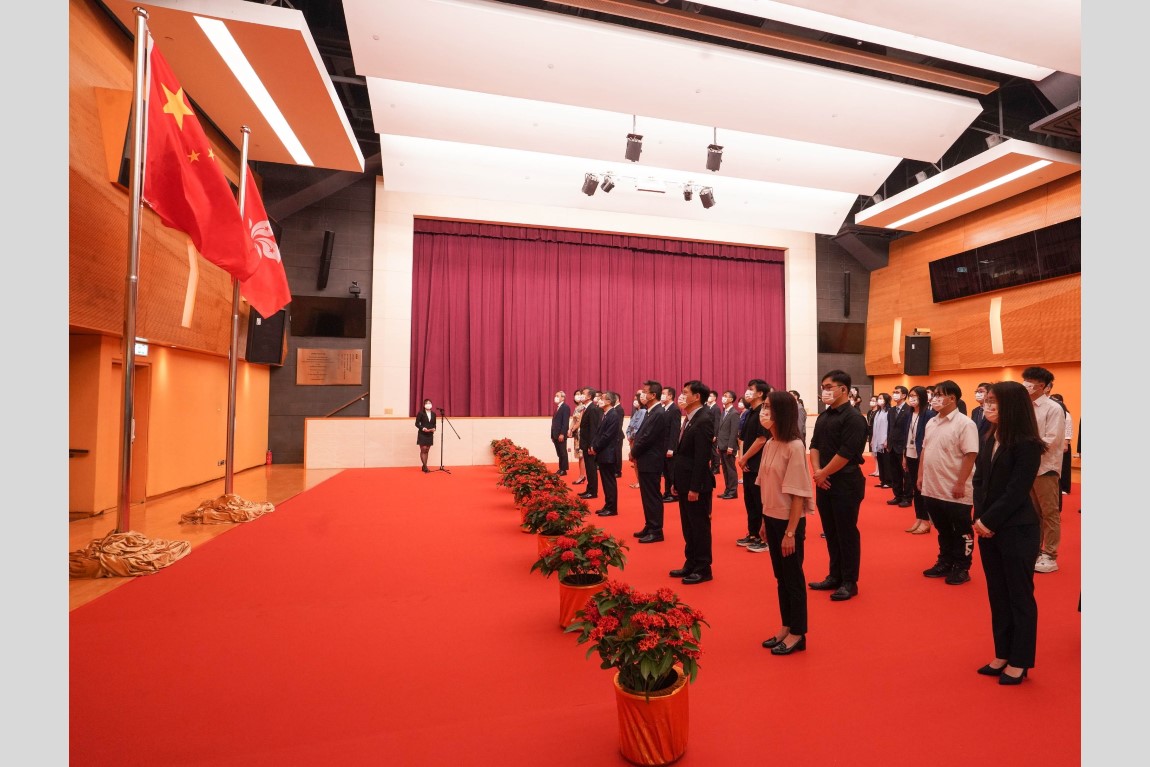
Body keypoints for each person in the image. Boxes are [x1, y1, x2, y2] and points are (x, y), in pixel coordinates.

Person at [972, 381, 1044, 685]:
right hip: (988, 527)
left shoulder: (1027, 444)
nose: (987, 406)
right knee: (997, 594)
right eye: (987, 401)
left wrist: (990, 521)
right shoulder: (990, 436)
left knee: (1019, 595)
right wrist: (979, 517)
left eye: (993, 402)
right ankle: (1002, 652)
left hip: (1017, 529)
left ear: (1012, 407)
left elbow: (1016, 491)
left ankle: (1020, 659)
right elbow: (981, 483)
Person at [756, 390, 813, 656]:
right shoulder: (770, 443)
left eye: (768, 407)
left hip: (790, 522)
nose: (763, 411)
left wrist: (790, 532)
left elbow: (799, 494)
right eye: (763, 406)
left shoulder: (795, 446)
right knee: (781, 577)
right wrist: (765, 521)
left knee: (793, 578)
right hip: (773, 517)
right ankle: (786, 625)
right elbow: (767, 486)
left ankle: (798, 633)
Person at [808, 370, 868, 602]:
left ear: (843, 389)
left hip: (846, 481)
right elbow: (814, 446)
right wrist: (817, 473)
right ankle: (834, 575)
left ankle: (849, 581)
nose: (825, 391)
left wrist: (823, 472)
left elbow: (847, 452)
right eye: (823, 386)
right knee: (831, 532)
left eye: (829, 386)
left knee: (846, 533)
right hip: (824, 482)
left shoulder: (854, 418)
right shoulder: (824, 417)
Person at [917, 380, 980, 585]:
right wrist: (920, 476)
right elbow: (925, 450)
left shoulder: (965, 423)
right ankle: (945, 561)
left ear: (952, 398)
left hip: (955, 487)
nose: (934, 398)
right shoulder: (931, 422)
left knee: (961, 529)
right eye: (934, 394)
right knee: (943, 528)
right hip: (933, 486)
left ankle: (962, 566)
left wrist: (961, 483)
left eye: (938, 394)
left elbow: (970, 455)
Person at [669, 381, 717, 585]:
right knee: (688, 526)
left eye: (685, 393)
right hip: (684, 481)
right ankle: (691, 562)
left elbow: (701, 457)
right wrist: (676, 482)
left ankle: (703, 567)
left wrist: (694, 487)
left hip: (696, 485)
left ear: (697, 396)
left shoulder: (704, 419)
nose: (681, 396)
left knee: (699, 527)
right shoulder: (690, 418)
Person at [1021, 367, 1064, 574]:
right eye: (1025, 379)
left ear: (1042, 386)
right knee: (1031, 512)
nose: (1026, 383)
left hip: (1045, 468)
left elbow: (1052, 440)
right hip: (1025, 467)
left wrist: (1027, 449)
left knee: (1049, 512)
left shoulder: (1053, 408)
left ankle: (1050, 554)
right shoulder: (1024, 406)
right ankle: (1034, 549)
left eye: (1030, 381)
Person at [631, 380, 670, 543]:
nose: (642, 394)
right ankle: (649, 524)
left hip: (651, 459)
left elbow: (647, 438)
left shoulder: (659, 413)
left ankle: (656, 530)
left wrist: (634, 451)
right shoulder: (650, 411)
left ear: (653, 395)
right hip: (646, 458)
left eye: (645, 392)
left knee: (652, 496)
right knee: (646, 495)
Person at [735, 380, 772, 553]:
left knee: (759, 502)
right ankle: (753, 534)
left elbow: (761, 439)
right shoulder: (748, 413)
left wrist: (745, 458)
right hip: (748, 463)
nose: (747, 392)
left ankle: (764, 538)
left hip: (758, 464)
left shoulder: (763, 413)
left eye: (751, 389)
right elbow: (742, 438)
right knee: (750, 501)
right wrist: (742, 458)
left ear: (760, 394)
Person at [903, 386, 936, 534]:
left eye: (915, 396)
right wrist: (904, 456)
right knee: (915, 488)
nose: (911, 398)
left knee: (922, 487)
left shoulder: (928, 414)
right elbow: (907, 436)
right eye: (910, 395)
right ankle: (919, 517)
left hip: (922, 455)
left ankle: (926, 521)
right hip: (910, 454)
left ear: (922, 397)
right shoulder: (909, 414)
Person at [589, 391, 624, 516]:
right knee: (605, 481)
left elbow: (607, 436)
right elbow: (599, 433)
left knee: (609, 482)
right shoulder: (605, 414)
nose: (599, 400)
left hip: (608, 454)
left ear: (609, 401)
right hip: (603, 453)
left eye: (602, 398)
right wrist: (593, 445)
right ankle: (607, 504)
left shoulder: (613, 415)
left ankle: (612, 508)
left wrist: (596, 447)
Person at [886, 386, 912, 507]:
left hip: (902, 446)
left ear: (904, 395)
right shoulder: (891, 410)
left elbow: (909, 430)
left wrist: (906, 447)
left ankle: (907, 498)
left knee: (906, 474)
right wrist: (887, 440)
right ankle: (898, 495)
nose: (894, 394)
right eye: (894, 392)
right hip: (891, 445)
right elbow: (890, 427)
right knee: (895, 473)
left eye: (897, 392)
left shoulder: (909, 410)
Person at [577, 388, 603, 501]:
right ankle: (589, 489)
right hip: (585, 443)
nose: (581, 395)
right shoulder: (586, 408)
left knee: (591, 468)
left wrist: (592, 445)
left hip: (589, 445)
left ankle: (593, 491)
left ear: (589, 397)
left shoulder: (592, 409)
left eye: (583, 394)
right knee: (588, 467)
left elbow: (593, 429)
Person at [716, 390, 741, 499]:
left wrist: (731, 446)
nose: (723, 397)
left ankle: (733, 491)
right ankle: (727, 489)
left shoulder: (734, 413)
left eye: (726, 396)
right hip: (722, 445)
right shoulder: (724, 412)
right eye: (723, 395)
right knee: (725, 469)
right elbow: (721, 430)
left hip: (729, 446)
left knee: (731, 469)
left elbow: (734, 431)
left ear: (731, 399)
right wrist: (718, 444)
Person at [1049, 393, 1073, 496]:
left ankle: (1065, 487)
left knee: (1065, 466)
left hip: (1064, 442)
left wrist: (1066, 442)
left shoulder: (1066, 413)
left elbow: (1068, 428)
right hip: (1056, 442)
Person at [660, 387, 681, 503]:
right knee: (666, 472)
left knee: (671, 472)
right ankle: (667, 492)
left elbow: (675, 430)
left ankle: (674, 494)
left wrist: (671, 448)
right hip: (662, 446)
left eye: (663, 394)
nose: (661, 395)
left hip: (670, 447)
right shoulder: (664, 409)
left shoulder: (674, 410)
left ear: (670, 396)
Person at [625, 390, 647, 490]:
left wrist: (632, 436)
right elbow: (630, 425)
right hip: (632, 439)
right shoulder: (637, 411)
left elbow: (638, 427)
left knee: (637, 462)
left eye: (636, 400)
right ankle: (638, 481)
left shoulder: (643, 412)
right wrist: (628, 435)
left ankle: (640, 482)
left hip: (636, 439)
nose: (635, 402)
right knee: (635, 462)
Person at [871, 393, 892, 489]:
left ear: (886, 400)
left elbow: (890, 427)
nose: (879, 400)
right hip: (877, 440)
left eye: (881, 398)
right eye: (878, 398)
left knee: (887, 461)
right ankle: (882, 480)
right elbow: (875, 428)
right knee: (880, 461)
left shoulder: (889, 412)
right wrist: (872, 439)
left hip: (885, 441)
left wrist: (887, 439)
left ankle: (888, 481)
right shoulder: (878, 412)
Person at [569, 390, 588, 485]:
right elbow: (573, 420)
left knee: (582, 456)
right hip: (576, 433)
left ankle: (582, 476)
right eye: (576, 394)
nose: (578, 396)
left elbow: (580, 421)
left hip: (581, 433)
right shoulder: (576, 408)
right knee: (579, 456)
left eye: (580, 394)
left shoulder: (584, 407)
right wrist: (569, 429)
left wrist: (573, 429)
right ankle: (582, 475)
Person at [550, 390, 570, 476]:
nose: (556, 397)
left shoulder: (565, 407)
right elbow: (554, 422)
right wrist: (552, 434)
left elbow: (565, 422)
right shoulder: (557, 408)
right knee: (559, 453)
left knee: (563, 452)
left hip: (560, 434)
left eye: (558, 396)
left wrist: (562, 433)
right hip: (555, 434)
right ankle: (560, 468)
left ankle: (564, 469)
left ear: (563, 398)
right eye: (555, 395)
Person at [415, 398, 437, 473]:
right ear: (424, 405)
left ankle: (424, 466)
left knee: (427, 450)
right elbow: (417, 424)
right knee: (423, 449)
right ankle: (425, 467)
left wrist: (434, 429)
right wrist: (423, 428)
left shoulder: (434, 414)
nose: (428, 404)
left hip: (430, 434)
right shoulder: (421, 413)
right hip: (423, 433)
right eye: (427, 403)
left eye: (430, 403)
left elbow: (434, 424)